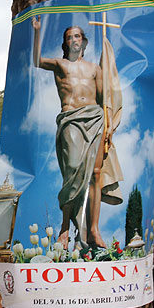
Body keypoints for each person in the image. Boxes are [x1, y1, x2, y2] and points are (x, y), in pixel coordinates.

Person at [32, 15, 123, 249]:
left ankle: (93, 230)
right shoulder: (61, 65)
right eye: (69, 37)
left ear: (83, 42)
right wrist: (37, 32)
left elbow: (104, 99)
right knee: (72, 170)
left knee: (95, 174)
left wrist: (110, 123)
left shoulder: (95, 68)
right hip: (71, 119)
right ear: (66, 43)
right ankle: (65, 227)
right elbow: (36, 61)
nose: (74, 40)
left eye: (77, 36)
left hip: (94, 119)